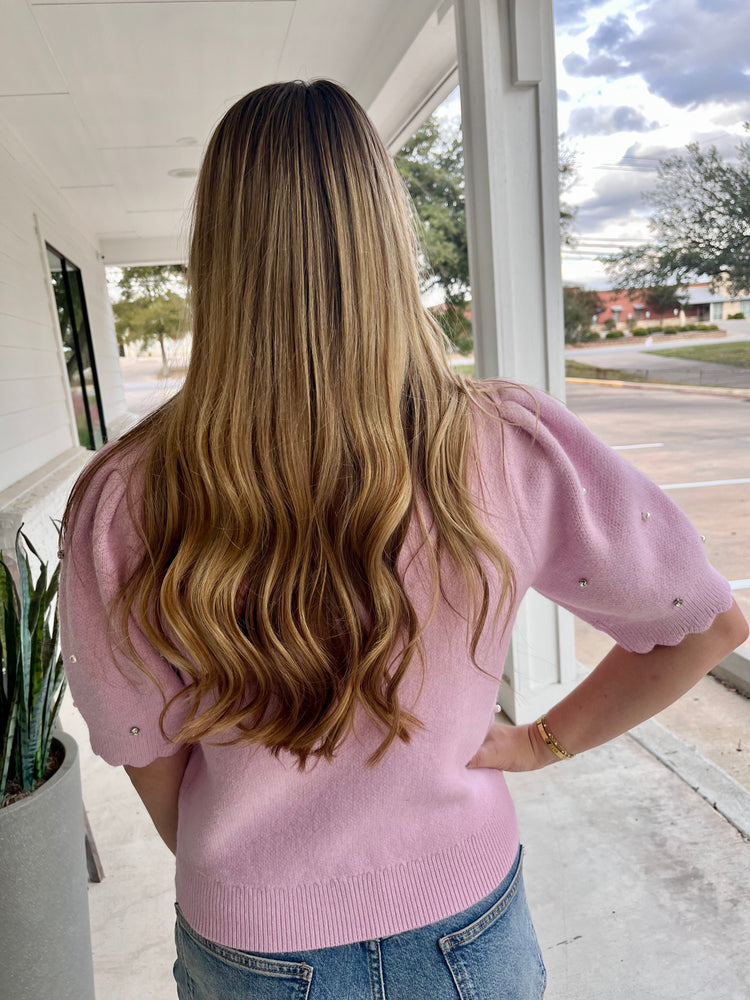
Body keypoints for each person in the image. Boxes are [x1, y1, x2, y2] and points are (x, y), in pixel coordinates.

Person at [59, 80, 748, 1000]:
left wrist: (252, 854)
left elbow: (143, 746)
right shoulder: (504, 444)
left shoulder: (122, 495)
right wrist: (540, 743)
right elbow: (702, 625)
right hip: (469, 925)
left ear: (216, 249)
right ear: (389, 237)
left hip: (251, 943)